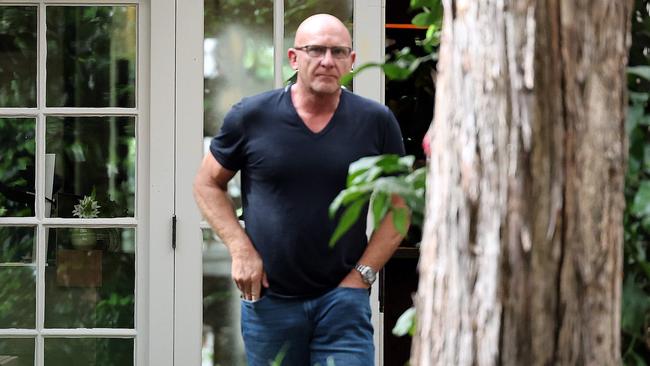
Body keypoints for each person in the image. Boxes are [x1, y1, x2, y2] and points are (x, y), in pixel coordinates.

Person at [193, 13, 407, 366]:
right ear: (294, 58)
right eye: (316, 50)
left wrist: (363, 275)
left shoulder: (376, 121)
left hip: (343, 301)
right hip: (270, 301)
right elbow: (206, 183)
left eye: (338, 52)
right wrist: (240, 249)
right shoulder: (252, 116)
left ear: (351, 61)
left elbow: (399, 205)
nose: (327, 60)